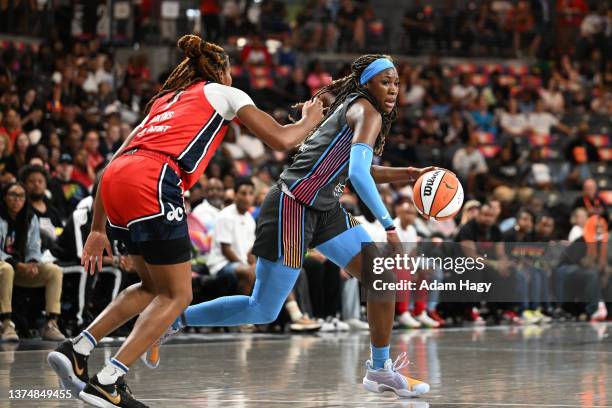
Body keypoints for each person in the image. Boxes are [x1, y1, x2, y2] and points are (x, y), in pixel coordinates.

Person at [46, 34, 323, 408]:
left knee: (150, 287)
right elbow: (280, 139)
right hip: (154, 180)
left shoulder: (163, 102)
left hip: (117, 180)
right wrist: (309, 119)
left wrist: (98, 228)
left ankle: (77, 349)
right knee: (178, 295)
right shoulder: (226, 93)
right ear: (221, 71)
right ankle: (109, 379)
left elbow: (115, 160)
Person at [150, 55, 434, 398]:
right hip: (292, 207)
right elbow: (358, 174)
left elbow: (354, 168)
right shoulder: (366, 110)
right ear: (366, 84)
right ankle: (173, 320)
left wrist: (408, 174)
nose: (392, 89)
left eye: (396, 83)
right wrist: (389, 227)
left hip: (325, 210)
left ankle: (379, 370)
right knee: (263, 309)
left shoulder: (358, 111)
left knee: (382, 278)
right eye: (385, 81)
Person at [0, 182, 65, 341]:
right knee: (7, 269)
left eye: (21, 196)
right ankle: (6, 323)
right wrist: (18, 265)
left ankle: (51, 323)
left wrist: (33, 263)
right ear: (4, 198)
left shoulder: (30, 217)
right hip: (5, 266)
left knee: (54, 271)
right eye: (13, 195)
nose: (17, 200)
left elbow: (34, 246)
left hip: (21, 268)